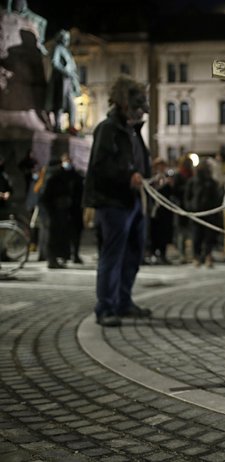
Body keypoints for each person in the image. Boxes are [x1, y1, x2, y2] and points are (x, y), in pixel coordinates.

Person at [83, 75, 151, 327]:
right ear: (123, 105)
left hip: (133, 201)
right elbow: (100, 167)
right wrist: (128, 176)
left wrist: (150, 176)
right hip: (112, 203)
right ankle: (106, 307)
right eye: (135, 109)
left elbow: (139, 163)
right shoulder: (107, 129)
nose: (139, 114)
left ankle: (123, 301)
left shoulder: (133, 131)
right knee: (112, 256)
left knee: (133, 253)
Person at [184, 159, 221, 268]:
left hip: (209, 214)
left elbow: (216, 198)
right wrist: (190, 207)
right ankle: (196, 257)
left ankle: (208, 256)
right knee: (196, 237)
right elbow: (187, 197)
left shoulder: (211, 182)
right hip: (196, 214)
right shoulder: (192, 181)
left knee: (209, 237)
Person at [46, 29, 80, 133]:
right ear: (60, 39)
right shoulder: (58, 48)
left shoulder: (67, 51)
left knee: (71, 104)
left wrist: (74, 79)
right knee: (60, 102)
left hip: (69, 79)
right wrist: (65, 71)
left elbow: (72, 66)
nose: (67, 40)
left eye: (68, 38)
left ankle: (72, 126)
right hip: (61, 79)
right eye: (65, 38)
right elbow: (55, 62)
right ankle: (57, 125)